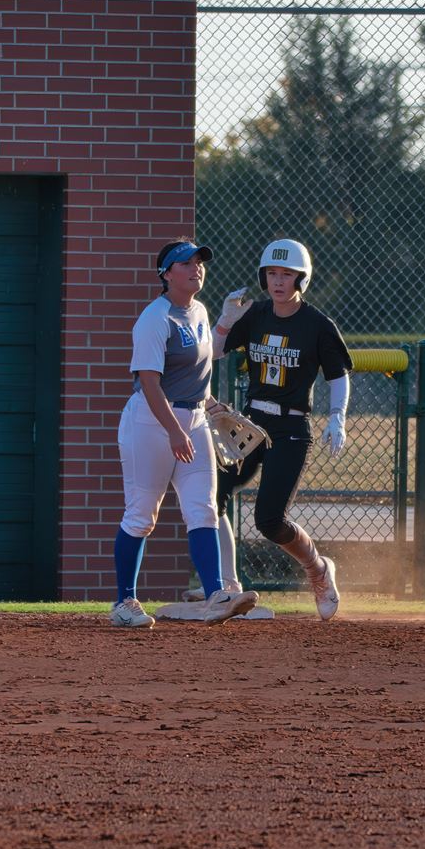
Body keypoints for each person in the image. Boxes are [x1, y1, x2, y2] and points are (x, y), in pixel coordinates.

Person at [109, 239, 258, 627]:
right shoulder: (155, 318)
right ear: (166, 274)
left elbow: (199, 368)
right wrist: (175, 432)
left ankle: (216, 595)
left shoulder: (199, 312)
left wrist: (209, 407)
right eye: (185, 263)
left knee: (204, 508)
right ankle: (124, 603)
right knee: (142, 515)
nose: (196, 268)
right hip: (151, 422)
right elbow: (149, 382)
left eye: (199, 262)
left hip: (192, 419)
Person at [209, 238, 352, 620]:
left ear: (300, 279)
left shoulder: (318, 324)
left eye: (286, 274)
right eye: (272, 273)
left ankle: (318, 570)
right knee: (213, 493)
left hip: (291, 425)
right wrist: (225, 320)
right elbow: (215, 351)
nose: (278, 281)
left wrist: (337, 415)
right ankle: (227, 588)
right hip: (252, 422)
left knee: (269, 519)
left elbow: (338, 375)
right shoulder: (254, 314)